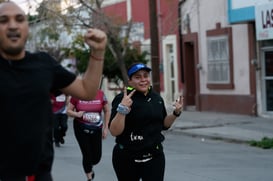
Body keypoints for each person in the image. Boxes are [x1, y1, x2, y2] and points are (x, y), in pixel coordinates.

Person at [0, 1, 107, 181]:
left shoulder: (44, 64)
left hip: (38, 175)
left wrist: (98, 52)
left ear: (27, 27)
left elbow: (87, 91)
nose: (12, 25)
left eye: (19, 19)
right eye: (3, 20)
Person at [109, 63, 183, 181]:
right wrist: (122, 109)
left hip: (154, 157)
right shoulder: (122, 99)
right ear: (130, 81)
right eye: (138, 77)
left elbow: (164, 125)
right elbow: (114, 131)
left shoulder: (156, 98)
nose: (143, 80)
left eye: (146, 76)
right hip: (127, 158)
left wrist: (175, 113)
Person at [67, 89, 110, 181]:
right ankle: (89, 177)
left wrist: (106, 128)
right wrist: (77, 114)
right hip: (80, 127)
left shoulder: (100, 94)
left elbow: (107, 110)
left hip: (97, 128)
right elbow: (68, 111)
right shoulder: (77, 94)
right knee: (86, 153)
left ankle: (89, 165)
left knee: (96, 158)